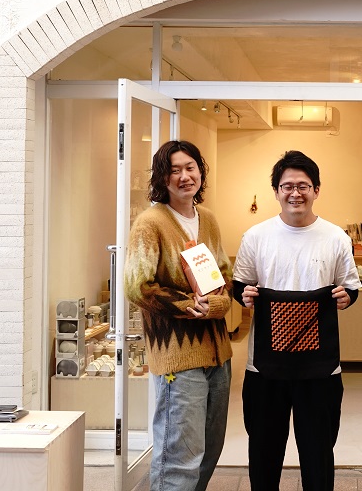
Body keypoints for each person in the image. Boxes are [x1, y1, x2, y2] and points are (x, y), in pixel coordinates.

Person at [233, 150, 361, 491]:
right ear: (276, 191)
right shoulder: (256, 236)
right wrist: (244, 295)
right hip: (264, 367)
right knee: (264, 451)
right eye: (287, 186)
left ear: (316, 190)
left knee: (318, 452)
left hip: (320, 368)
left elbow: (350, 287)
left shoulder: (336, 237)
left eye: (303, 186)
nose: (295, 193)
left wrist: (346, 297)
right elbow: (240, 284)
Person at [124, 140, 232, 491]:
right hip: (178, 354)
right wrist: (188, 306)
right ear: (162, 177)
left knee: (209, 450)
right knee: (179, 456)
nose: (185, 176)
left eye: (190, 168)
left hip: (218, 353)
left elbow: (224, 275)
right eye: (174, 170)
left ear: (201, 171)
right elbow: (138, 287)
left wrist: (218, 304)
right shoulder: (150, 223)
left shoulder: (208, 219)